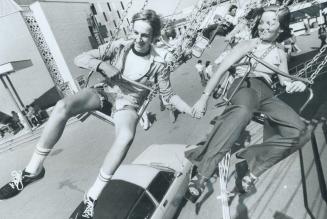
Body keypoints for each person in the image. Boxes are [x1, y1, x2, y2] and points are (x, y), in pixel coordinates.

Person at [0, 9, 194, 219]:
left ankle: (92, 197)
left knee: (126, 136)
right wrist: (103, 65)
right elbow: (80, 59)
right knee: (62, 106)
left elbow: (168, 94)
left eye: (145, 35)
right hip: (104, 92)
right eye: (136, 32)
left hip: (126, 104)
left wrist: (190, 108)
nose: (138, 39)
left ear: (153, 37)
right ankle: (33, 170)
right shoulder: (120, 46)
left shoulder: (159, 62)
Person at [185, 5, 309, 201]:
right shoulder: (248, 44)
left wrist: (295, 85)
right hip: (246, 85)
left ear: (282, 29)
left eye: (271, 22)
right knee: (243, 111)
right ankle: (202, 173)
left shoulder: (280, 52)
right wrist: (203, 98)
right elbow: (221, 70)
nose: (264, 26)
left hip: (267, 94)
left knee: (301, 131)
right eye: (262, 22)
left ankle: (250, 168)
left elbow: (285, 81)